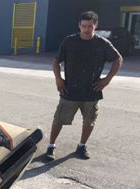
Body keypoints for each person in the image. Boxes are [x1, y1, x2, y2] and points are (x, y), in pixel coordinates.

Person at [46, 11, 123, 160]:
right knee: (59, 119)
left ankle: (81, 146)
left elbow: (118, 59)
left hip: (92, 90)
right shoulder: (69, 41)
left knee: (89, 121)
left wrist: (107, 80)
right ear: (79, 26)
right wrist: (58, 79)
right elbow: (56, 61)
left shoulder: (102, 43)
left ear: (95, 25)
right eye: (84, 26)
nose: (87, 29)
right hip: (70, 90)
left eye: (90, 26)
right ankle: (51, 146)